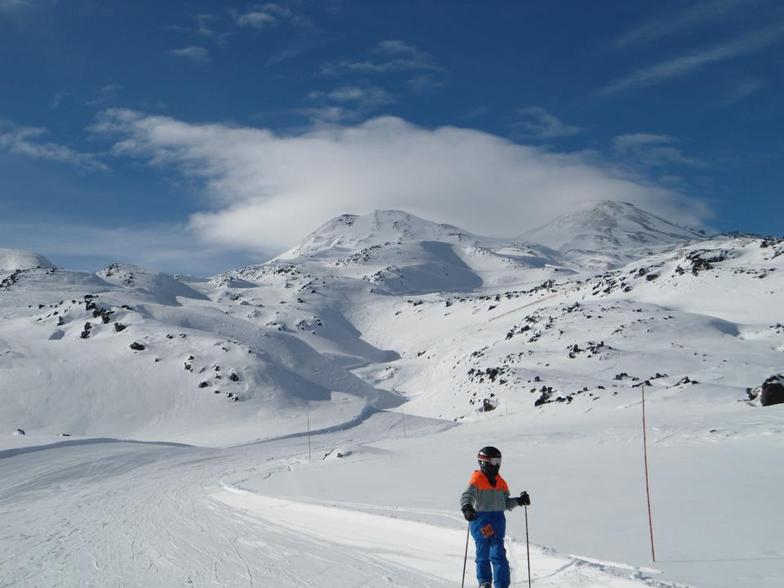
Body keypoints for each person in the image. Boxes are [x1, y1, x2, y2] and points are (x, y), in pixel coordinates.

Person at [460, 446, 530, 588]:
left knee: (498, 555)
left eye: (499, 460)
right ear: (484, 462)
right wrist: (467, 508)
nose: (497, 464)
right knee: (483, 555)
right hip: (481, 521)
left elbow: (506, 503)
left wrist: (519, 501)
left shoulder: (501, 482)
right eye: (494, 461)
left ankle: (501, 585)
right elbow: (466, 496)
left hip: (497, 522)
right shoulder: (477, 479)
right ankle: (484, 582)